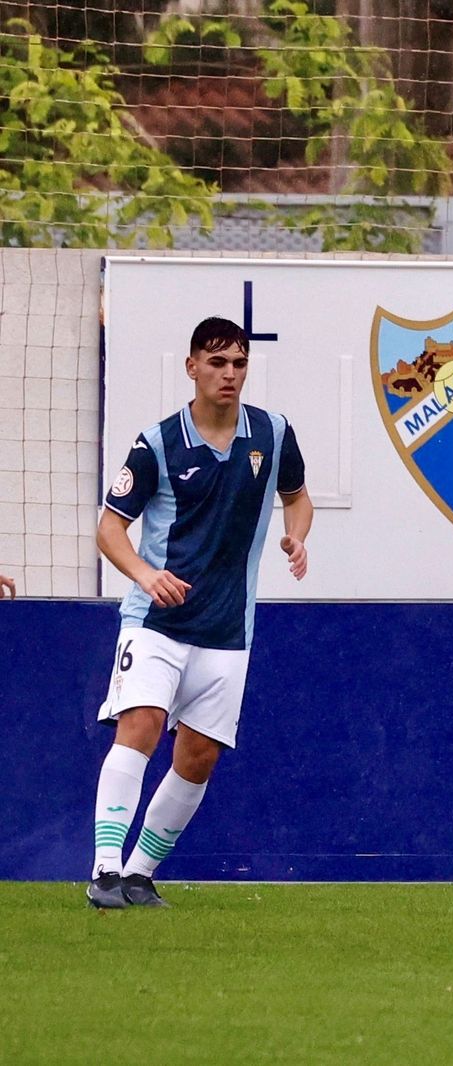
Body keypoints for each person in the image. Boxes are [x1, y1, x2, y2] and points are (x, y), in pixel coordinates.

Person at [87, 316, 312, 909]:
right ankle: (103, 870)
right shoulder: (157, 443)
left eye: (238, 363)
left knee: (199, 755)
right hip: (155, 621)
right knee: (142, 725)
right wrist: (145, 574)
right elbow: (110, 530)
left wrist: (296, 537)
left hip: (227, 627)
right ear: (192, 368)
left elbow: (297, 498)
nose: (229, 374)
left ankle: (138, 875)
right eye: (216, 363)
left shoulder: (273, 431)